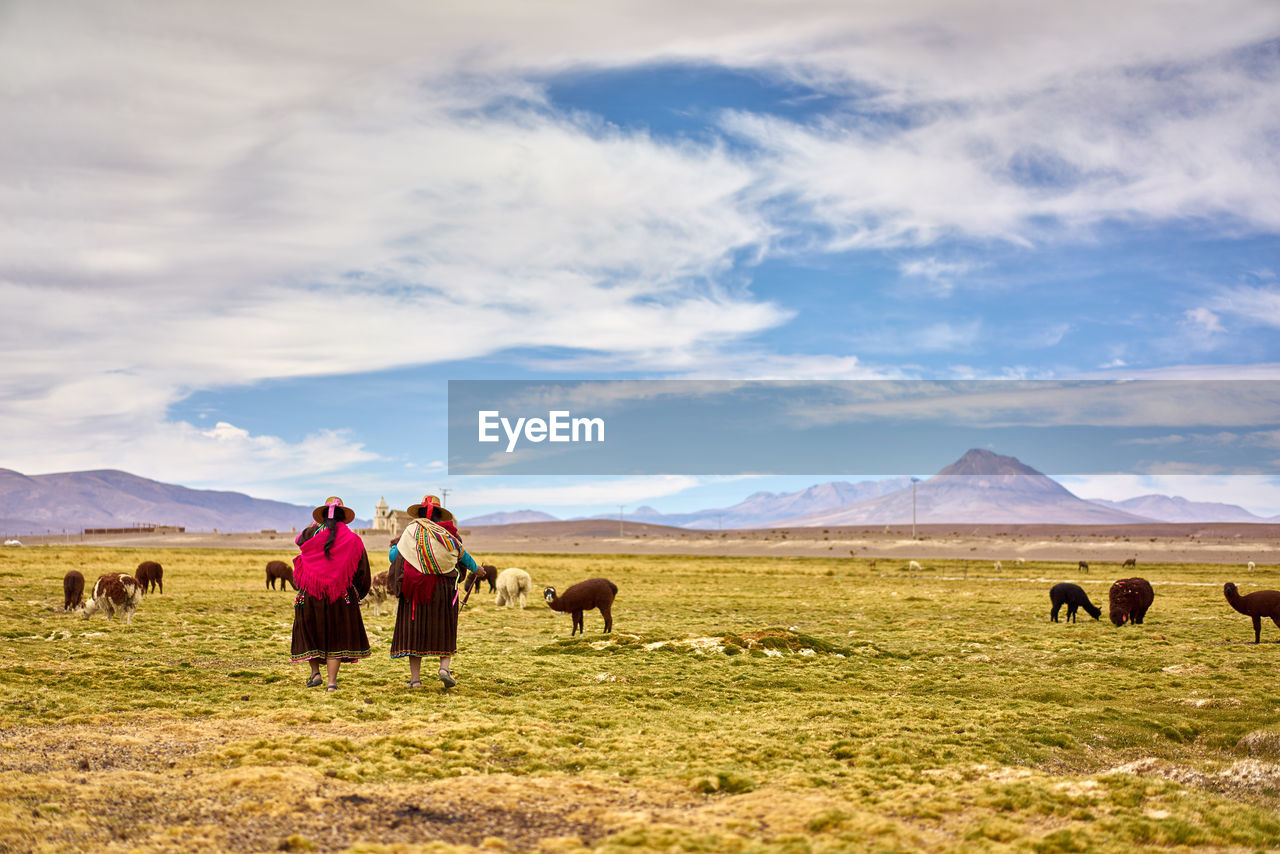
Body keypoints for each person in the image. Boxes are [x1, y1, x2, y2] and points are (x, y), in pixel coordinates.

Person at [388, 494, 479, 688]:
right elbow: (462, 557)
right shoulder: (450, 534)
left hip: (415, 590)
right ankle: (444, 669)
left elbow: (394, 556)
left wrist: (403, 549)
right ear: (439, 515)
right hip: (443, 590)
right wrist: (475, 569)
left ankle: (415, 680)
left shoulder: (411, 531)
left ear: (420, 513)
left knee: (414, 632)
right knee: (444, 628)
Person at [289, 496, 371, 691]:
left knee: (312, 633)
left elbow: (298, 540)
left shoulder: (310, 534)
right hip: (340, 596)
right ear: (343, 517)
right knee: (336, 637)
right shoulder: (353, 539)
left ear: (323, 516)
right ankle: (332, 683)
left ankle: (315, 673)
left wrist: (313, 526)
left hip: (310, 593)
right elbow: (362, 571)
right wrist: (357, 594)